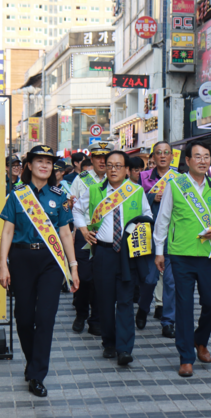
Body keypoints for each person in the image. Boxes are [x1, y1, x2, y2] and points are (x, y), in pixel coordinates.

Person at [0, 144, 80, 397]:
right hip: (21, 258)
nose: (44, 165)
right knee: (23, 318)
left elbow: (65, 233)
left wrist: (73, 267)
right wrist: (3, 264)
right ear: (29, 166)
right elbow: (8, 231)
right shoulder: (17, 195)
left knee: (45, 318)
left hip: (50, 261)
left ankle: (37, 374)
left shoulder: (60, 197)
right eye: (39, 161)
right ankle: (32, 362)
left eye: (49, 161)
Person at [154, 140, 211, 377]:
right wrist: (159, 250)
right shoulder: (176, 185)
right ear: (187, 161)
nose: (203, 161)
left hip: (208, 255)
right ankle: (186, 356)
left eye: (206, 156)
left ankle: (201, 340)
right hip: (180, 255)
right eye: (198, 156)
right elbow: (163, 219)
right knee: (184, 307)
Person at [72, 150, 153, 365]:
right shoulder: (94, 190)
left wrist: (135, 228)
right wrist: (82, 229)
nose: (114, 169)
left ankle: (124, 348)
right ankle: (108, 342)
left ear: (127, 169)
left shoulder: (135, 190)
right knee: (106, 301)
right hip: (103, 252)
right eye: (110, 165)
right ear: (105, 168)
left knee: (126, 301)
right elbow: (77, 210)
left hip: (127, 253)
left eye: (118, 165)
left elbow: (148, 215)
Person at [68, 141, 112, 335]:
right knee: (84, 277)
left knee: (101, 280)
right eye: (98, 157)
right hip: (85, 234)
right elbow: (72, 205)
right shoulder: (82, 179)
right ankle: (81, 312)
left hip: (108, 236)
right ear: (91, 159)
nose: (102, 161)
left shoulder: (118, 178)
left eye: (105, 157)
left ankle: (96, 319)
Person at [136, 141, 177, 339]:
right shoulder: (143, 177)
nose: (162, 156)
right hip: (149, 235)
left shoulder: (179, 178)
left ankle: (168, 321)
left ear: (171, 156)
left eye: (166, 153)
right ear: (152, 157)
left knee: (171, 281)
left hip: (172, 236)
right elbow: (134, 200)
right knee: (149, 279)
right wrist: (153, 198)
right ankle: (143, 308)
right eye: (158, 153)